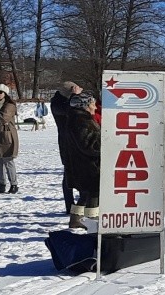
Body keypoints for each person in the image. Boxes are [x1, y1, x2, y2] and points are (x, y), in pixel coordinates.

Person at [66, 93, 101, 229]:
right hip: (88, 166)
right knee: (93, 192)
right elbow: (89, 145)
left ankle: (76, 219)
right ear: (85, 106)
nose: (94, 106)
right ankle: (93, 222)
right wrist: (106, 144)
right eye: (92, 103)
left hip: (82, 164)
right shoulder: (82, 121)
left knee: (85, 193)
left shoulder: (78, 118)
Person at [51, 81, 82, 212]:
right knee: (68, 174)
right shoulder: (58, 103)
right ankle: (70, 205)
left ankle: (80, 203)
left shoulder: (65, 101)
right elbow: (71, 110)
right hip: (67, 143)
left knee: (80, 173)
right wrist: (75, 96)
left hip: (76, 141)